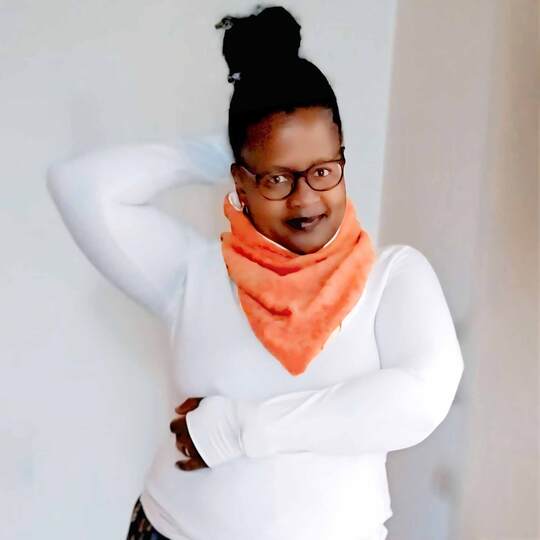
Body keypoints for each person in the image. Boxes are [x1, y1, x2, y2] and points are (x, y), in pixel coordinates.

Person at [45, 6, 464, 540]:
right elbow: (79, 186)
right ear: (240, 184)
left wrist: (238, 429)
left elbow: (420, 398)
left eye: (322, 170)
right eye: (277, 179)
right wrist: (210, 152)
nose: (306, 199)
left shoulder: (393, 277)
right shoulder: (195, 271)